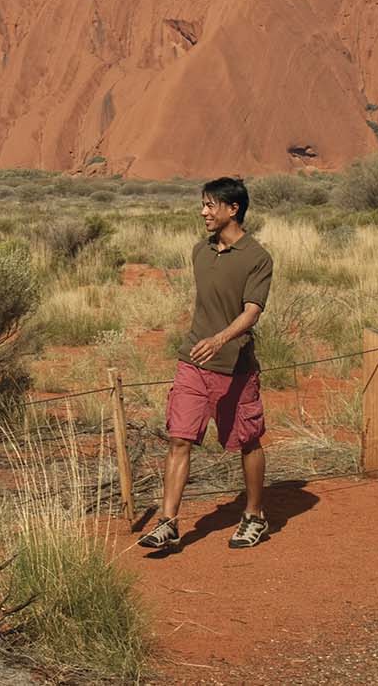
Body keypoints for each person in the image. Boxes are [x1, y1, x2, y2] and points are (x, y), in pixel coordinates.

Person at [136, 176, 275, 553]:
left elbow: (252, 312)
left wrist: (220, 340)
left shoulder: (257, 258)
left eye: (211, 205)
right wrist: (204, 341)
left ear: (233, 209)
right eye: (203, 204)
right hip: (193, 362)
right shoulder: (201, 250)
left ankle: (254, 516)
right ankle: (168, 522)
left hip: (236, 368)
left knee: (247, 441)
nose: (203, 212)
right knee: (179, 438)